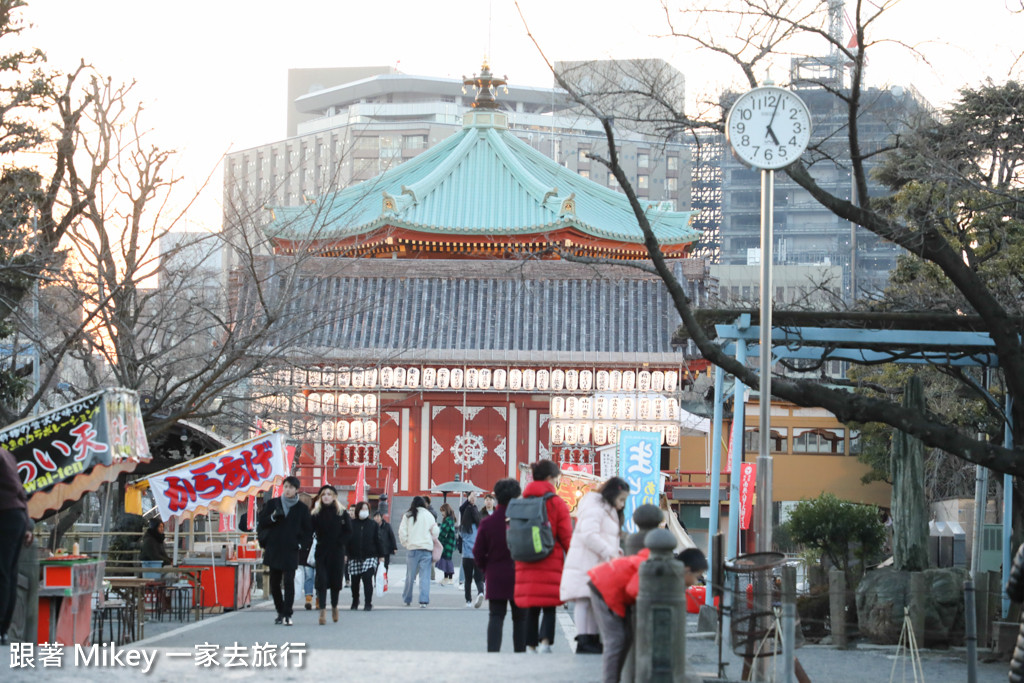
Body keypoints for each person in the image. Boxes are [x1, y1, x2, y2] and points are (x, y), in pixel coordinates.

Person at [588, 547, 708, 683]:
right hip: (604, 587)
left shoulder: (666, 570)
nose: (695, 582)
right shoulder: (660, 571)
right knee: (616, 641)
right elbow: (634, 589)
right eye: (697, 576)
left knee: (624, 639)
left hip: (609, 586)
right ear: (687, 569)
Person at [560, 476, 630, 655]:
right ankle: (584, 639)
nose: (622, 505)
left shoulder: (604, 509)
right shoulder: (597, 509)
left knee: (590, 601)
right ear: (613, 494)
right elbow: (589, 535)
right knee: (584, 601)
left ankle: (589, 639)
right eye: (621, 499)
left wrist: (615, 552)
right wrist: (610, 552)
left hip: (592, 562)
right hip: (587, 562)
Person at [514, 459, 573, 653]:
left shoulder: (522, 502)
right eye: (556, 478)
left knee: (531, 605)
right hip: (550, 558)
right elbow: (566, 536)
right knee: (549, 604)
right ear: (549, 478)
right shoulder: (557, 503)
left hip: (526, 558)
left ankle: (530, 644)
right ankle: (546, 642)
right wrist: (573, 557)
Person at [474, 478, 526, 653]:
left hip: (496, 576)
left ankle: (493, 655)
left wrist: (486, 569)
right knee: (520, 619)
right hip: (520, 576)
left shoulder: (488, 523)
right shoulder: (524, 521)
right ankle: (520, 656)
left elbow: (478, 552)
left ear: (496, 497)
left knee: (496, 617)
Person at [257, 476, 313, 625]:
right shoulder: (272, 504)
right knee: (274, 583)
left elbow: (308, 530)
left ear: (296, 490)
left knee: (289, 581)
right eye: (286, 486)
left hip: (291, 549)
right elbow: (261, 522)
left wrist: (301, 544)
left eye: (291, 487)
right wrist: (273, 517)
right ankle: (280, 611)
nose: (287, 490)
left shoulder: (301, 508)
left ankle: (288, 613)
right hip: (274, 548)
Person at [0, 448, 32, 646]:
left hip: (5, 514)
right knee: (9, 574)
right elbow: (20, 491)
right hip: (17, 515)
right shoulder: (7, 455)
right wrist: (27, 524)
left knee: (3, 573)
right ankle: (3, 629)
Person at [310, 485, 351, 625]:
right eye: (323, 494)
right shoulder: (315, 513)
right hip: (321, 550)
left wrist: (341, 542)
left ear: (334, 496)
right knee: (321, 580)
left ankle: (334, 606)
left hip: (337, 551)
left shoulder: (342, 513)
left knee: (335, 581)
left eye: (329, 494)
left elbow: (349, 531)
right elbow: (308, 530)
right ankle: (322, 609)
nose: (326, 496)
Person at [399, 496, 440, 607]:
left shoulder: (407, 515)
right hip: (426, 548)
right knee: (425, 576)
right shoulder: (429, 515)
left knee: (410, 576)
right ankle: (423, 600)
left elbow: (402, 532)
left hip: (412, 548)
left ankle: (407, 598)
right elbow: (436, 531)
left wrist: (406, 543)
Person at [347, 500, 384, 611]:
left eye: (366, 509)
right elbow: (347, 541)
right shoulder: (351, 524)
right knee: (355, 581)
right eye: (362, 509)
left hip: (370, 555)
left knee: (368, 578)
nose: (364, 511)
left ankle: (368, 602)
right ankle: (355, 600)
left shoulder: (373, 525)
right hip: (354, 556)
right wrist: (345, 554)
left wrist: (381, 555)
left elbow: (378, 540)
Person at [459, 493, 485, 607]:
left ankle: (468, 601)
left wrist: (469, 501)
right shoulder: (480, 528)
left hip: (467, 556)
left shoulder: (463, 529)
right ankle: (480, 592)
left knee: (468, 579)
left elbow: (461, 509)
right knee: (479, 578)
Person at [437, 503, 458, 584]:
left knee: (447, 559)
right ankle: (447, 577)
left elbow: (443, 532)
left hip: (447, 543)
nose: (442, 513)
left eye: (443, 511)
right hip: (449, 542)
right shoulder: (450, 519)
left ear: (446, 510)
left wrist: (438, 539)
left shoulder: (448, 520)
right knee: (446, 559)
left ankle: (449, 578)